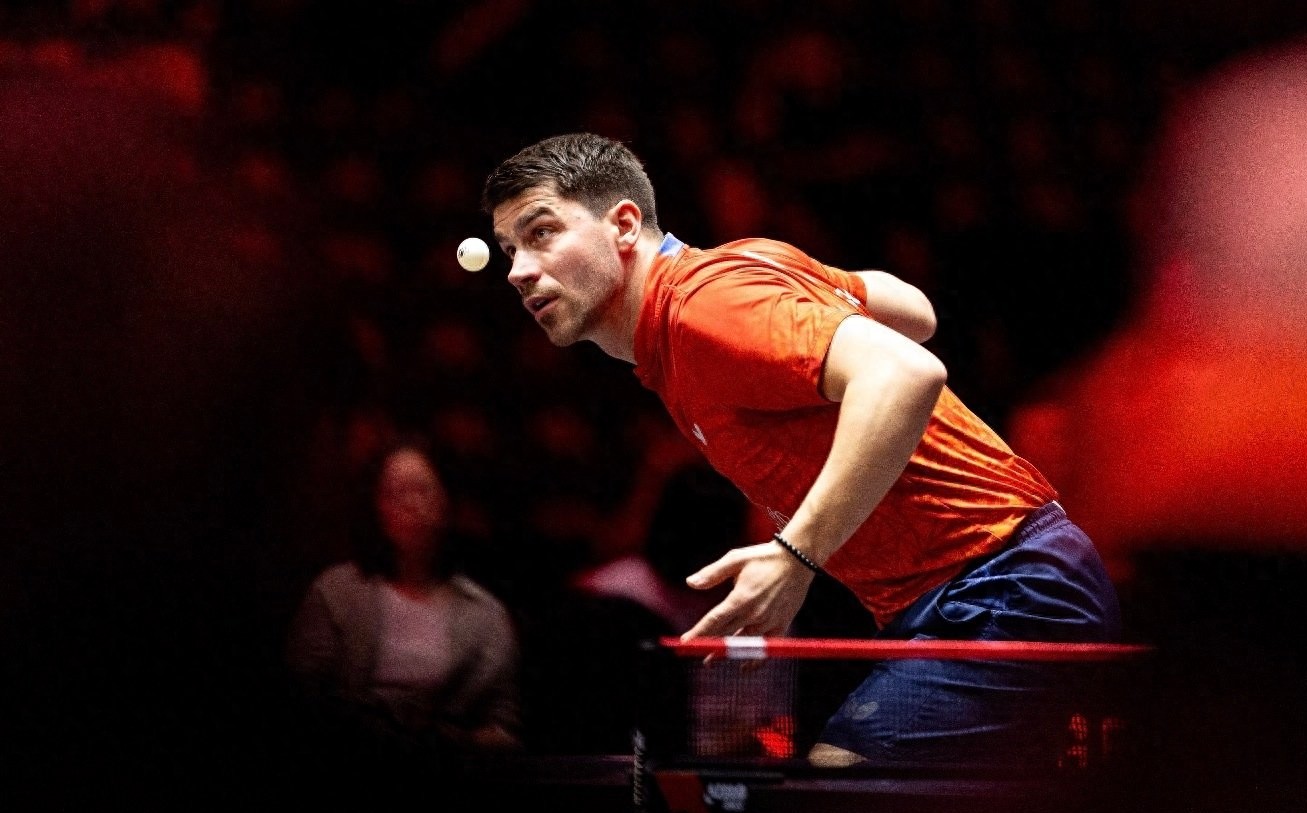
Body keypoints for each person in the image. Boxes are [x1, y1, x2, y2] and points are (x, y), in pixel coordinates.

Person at [479, 132, 1122, 772]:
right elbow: (917, 312)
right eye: (510, 249)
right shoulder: (729, 283)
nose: (518, 271)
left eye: (541, 233)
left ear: (623, 225)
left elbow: (908, 370)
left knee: (837, 782)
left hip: (1007, 586)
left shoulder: (704, 308)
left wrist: (795, 555)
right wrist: (819, 288)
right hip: (954, 594)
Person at [284, 435, 521, 784]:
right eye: (395, 492)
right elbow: (296, 700)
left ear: (445, 501)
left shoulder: (485, 615)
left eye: (422, 490)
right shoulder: (336, 593)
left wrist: (454, 744)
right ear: (377, 506)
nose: (410, 503)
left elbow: (504, 728)